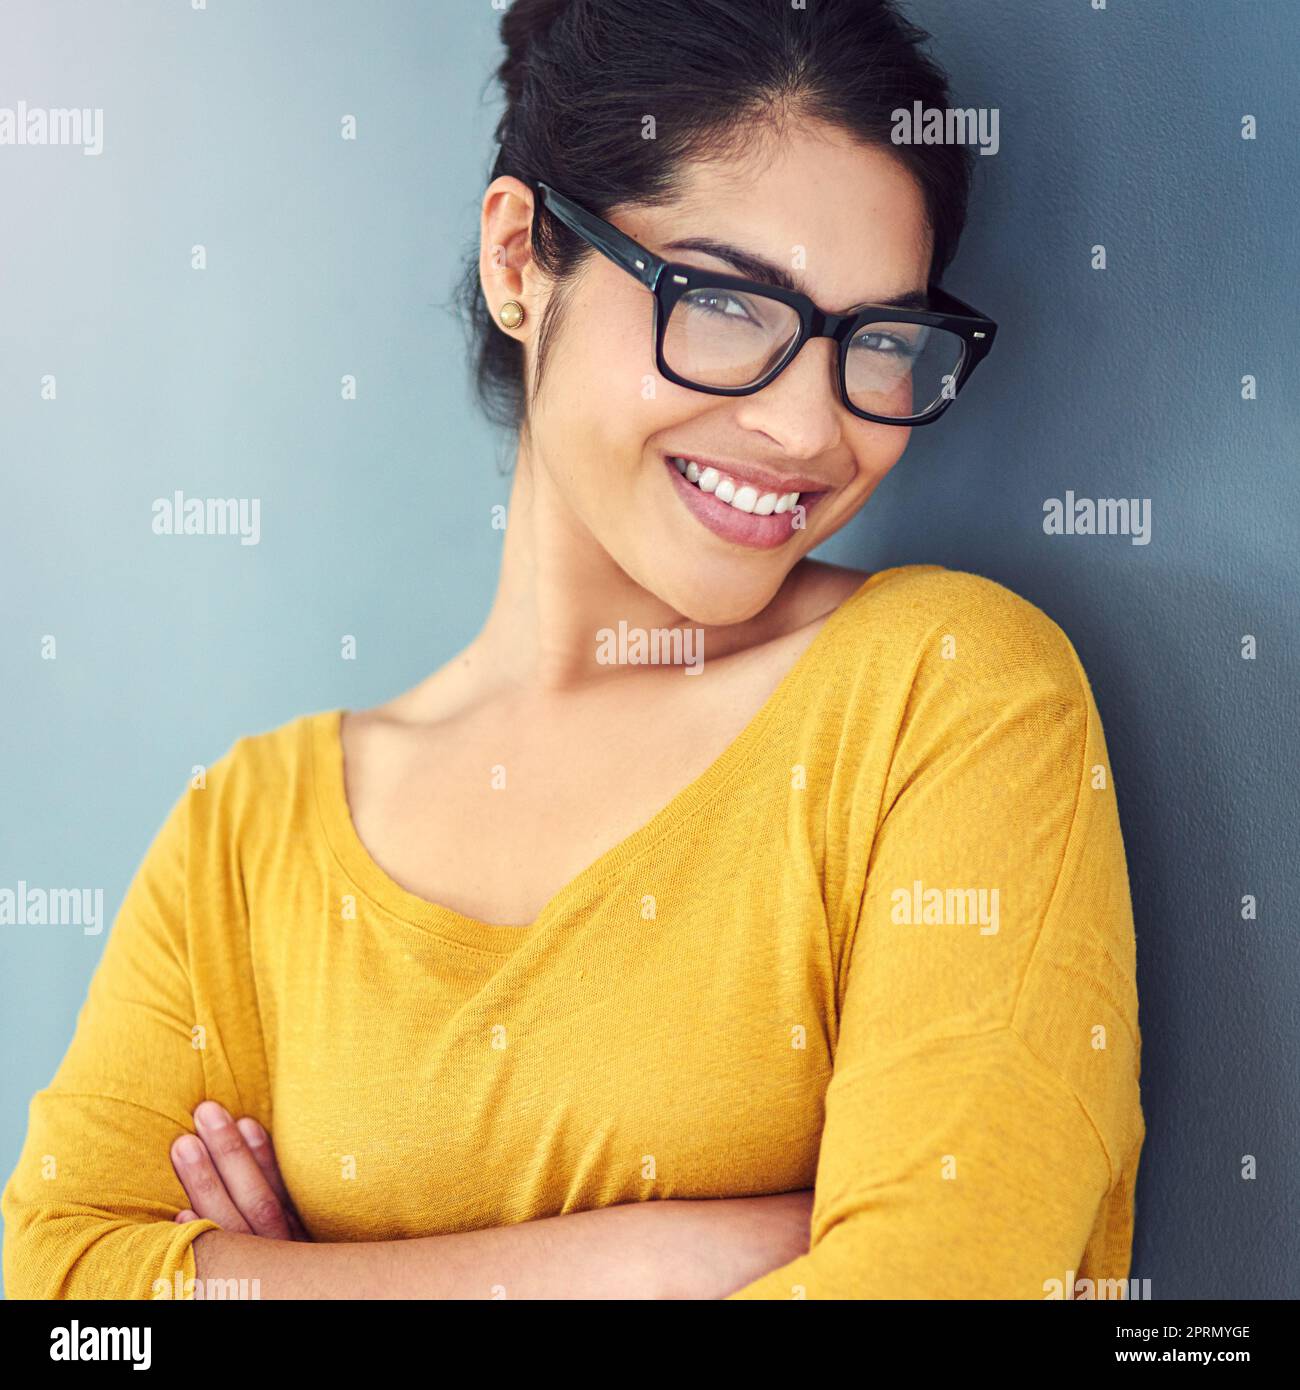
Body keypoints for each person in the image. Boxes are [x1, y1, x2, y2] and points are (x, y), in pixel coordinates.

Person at [2, 0, 1143, 1300]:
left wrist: (269, 1280)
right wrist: (659, 1258)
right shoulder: (245, 840)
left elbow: (940, 1280)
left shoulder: (952, 699)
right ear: (519, 258)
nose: (809, 427)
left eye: (875, 345)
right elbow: (64, 1295)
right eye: (726, 306)